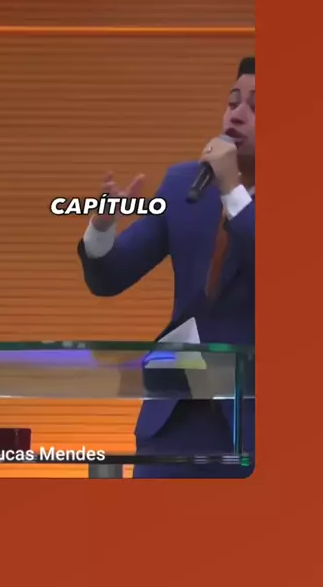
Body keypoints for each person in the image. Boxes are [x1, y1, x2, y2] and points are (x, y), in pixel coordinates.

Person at [77, 57, 255, 478]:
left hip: (251, 425)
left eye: (255, 106)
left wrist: (232, 189)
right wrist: (101, 229)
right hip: (173, 415)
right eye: (233, 101)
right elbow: (111, 276)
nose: (237, 114)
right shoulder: (183, 185)